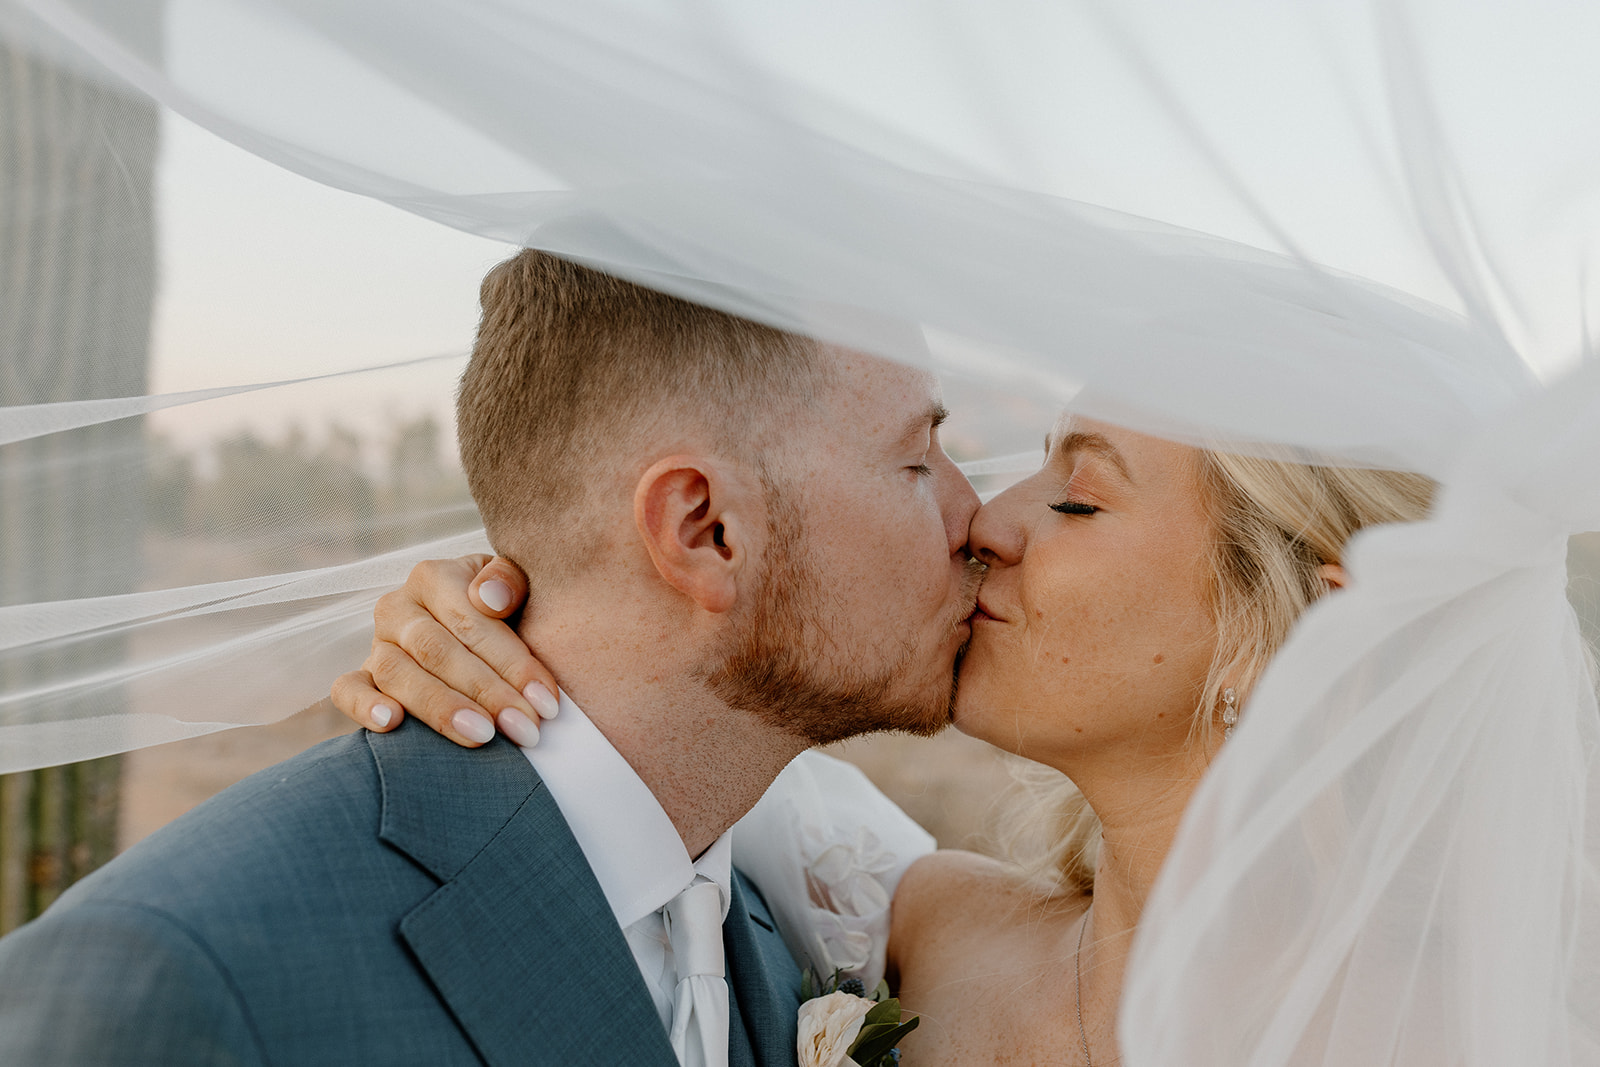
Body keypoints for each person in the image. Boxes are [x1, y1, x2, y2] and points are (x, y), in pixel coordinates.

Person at [0, 249, 982, 1065]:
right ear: (704, 527)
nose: (973, 515)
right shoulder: (172, 972)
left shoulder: (774, 913)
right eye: (914, 459)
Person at [334, 414, 1435, 1063]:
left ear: (1305, 630)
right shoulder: (932, 930)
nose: (990, 521)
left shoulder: (1453, 1028)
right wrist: (502, 631)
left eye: (1080, 502)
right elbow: (661, 750)